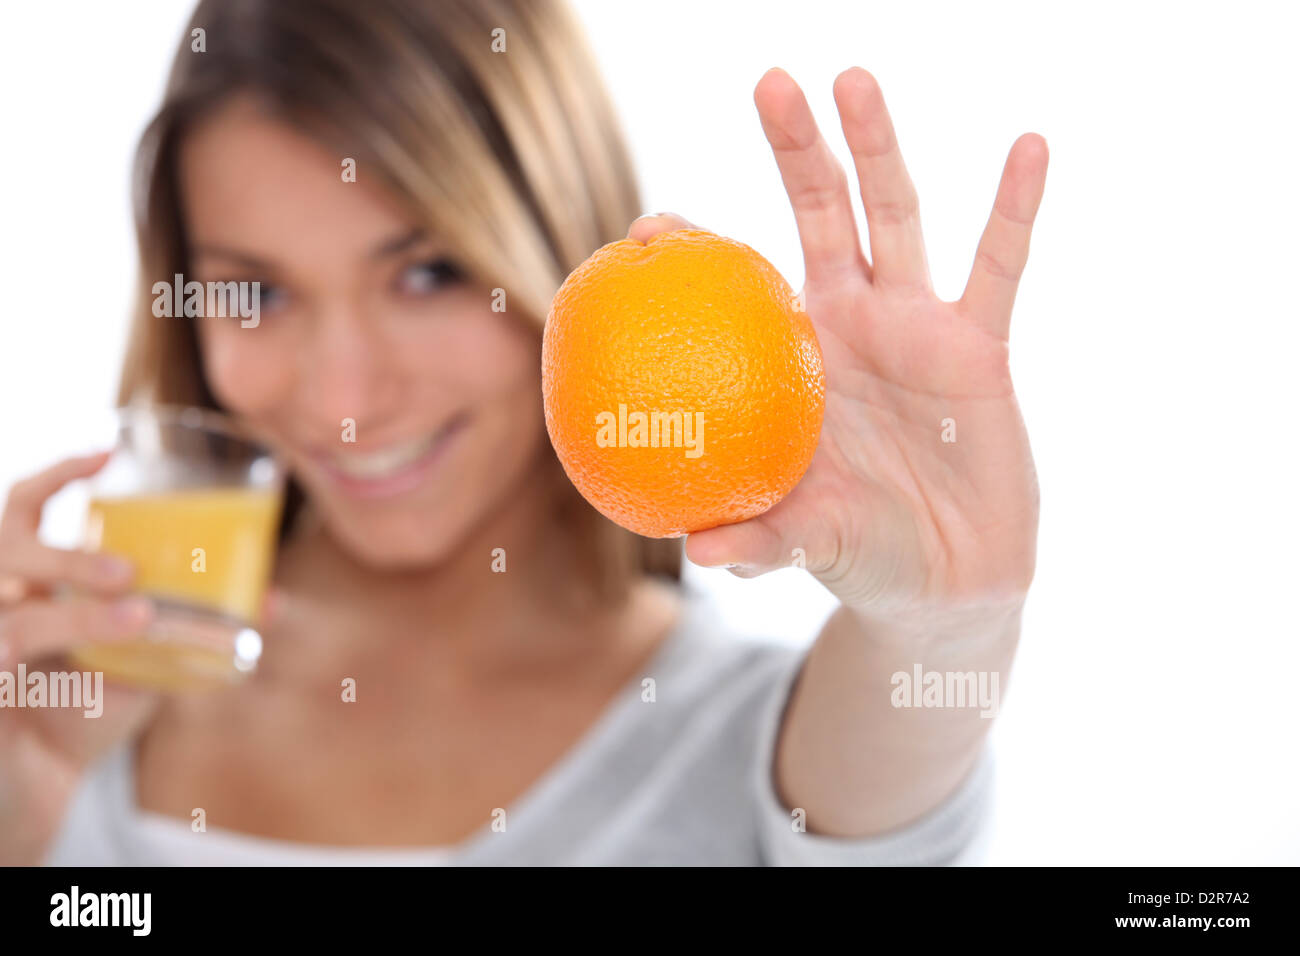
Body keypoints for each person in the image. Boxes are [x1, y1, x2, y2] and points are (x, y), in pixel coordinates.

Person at [0, 0, 1047, 865]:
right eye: (257, 293)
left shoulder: (745, 737)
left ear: (557, 258)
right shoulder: (84, 692)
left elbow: (893, 768)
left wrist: (945, 622)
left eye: (426, 273)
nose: (345, 394)